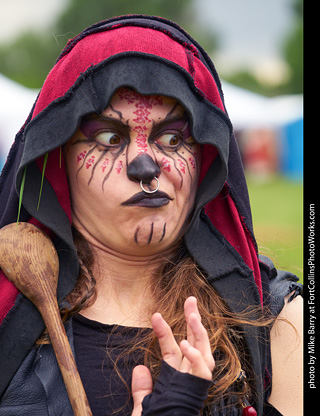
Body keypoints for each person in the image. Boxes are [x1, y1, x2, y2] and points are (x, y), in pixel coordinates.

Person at [0, 15, 302, 416]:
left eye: (173, 138)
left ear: (206, 158)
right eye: (109, 138)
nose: (145, 166)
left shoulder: (282, 322)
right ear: (58, 161)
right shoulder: (7, 313)